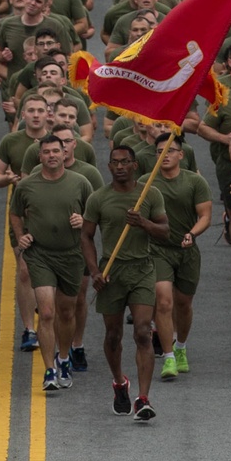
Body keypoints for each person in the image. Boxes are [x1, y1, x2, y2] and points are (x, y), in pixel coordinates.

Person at [80, 147, 168, 420]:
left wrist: (143, 223)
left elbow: (165, 231)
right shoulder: (98, 198)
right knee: (113, 335)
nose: (120, 166)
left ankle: (143, 399)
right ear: (108, 167)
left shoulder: (149, 194)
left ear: (134, 165)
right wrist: (95, 271)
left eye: (125, 162)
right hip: (111, 271)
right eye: (115, 162)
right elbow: (86, 236)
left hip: (142, 268)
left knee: (142, 331)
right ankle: (119, 382)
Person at [11, 135, 92, 393]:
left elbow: (94, 213)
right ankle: (49, 370)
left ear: (65, 152)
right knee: (46, 313)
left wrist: (84, 221)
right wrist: (20, 234)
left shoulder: (80, 182)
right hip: (40, 255)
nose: (52, 156)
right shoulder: (27, 185)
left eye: (56, 151)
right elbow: (15, 212)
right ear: (40, 156)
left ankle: (64, 358)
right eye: (46, 152)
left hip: (70, 255)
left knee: (66, 312)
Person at [150, 138, 212, 380]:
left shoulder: (195, 181)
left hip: (186, 250)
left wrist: (192, 234)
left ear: (181, 155)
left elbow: (205, 215)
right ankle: (168, 357)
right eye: (159, 151)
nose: (164, 155)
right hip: (157, 250)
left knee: (184, 303)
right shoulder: (147, 183)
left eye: (170, 150)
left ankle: (181, 346)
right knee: (164, 302)